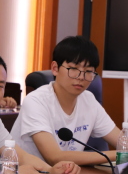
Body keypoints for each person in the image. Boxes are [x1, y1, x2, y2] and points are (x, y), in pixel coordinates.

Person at [10, 36, 120, 165]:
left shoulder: (89, 100)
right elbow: (54, 157)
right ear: (55, 68)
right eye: (73, 69)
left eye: (88, 71)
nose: (81, 77)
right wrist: (119, 154)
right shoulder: (36, 101)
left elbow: (121, 141)